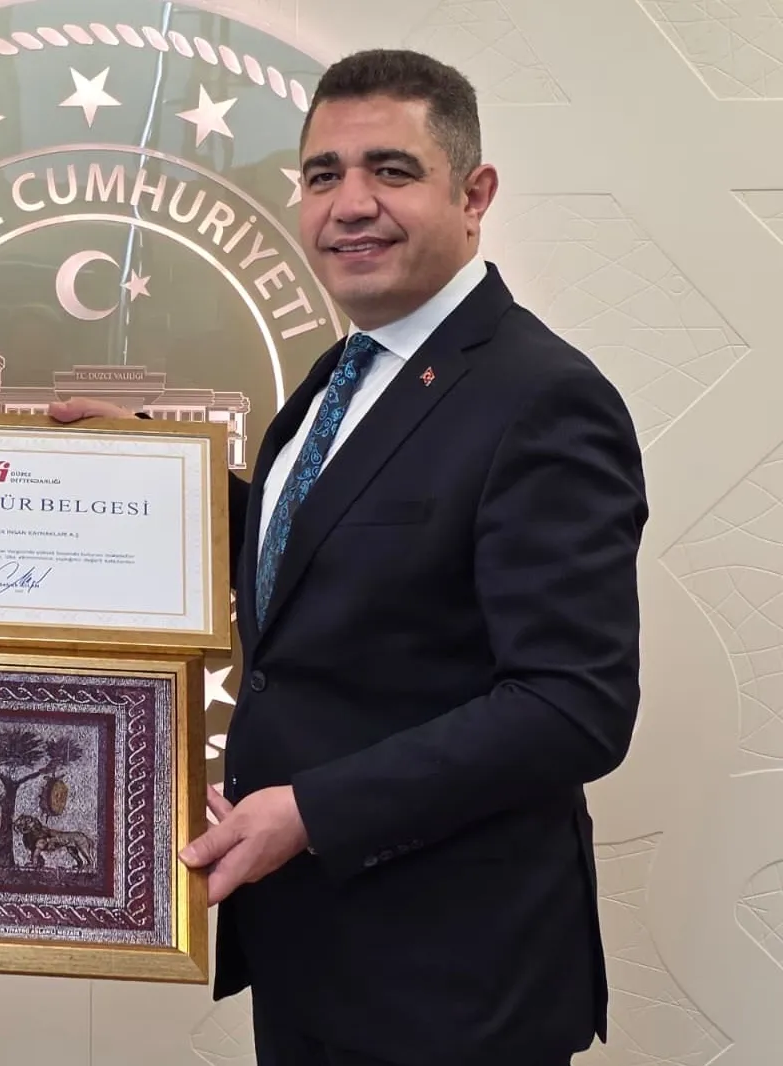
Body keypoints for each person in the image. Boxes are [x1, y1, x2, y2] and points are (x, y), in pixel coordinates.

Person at [52, 49, 648, 1066]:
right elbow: (329, 564)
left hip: (453, 988)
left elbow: (571, 704)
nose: (351, 203)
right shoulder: (346, 373)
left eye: (392, 171)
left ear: (473, 195)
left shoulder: (541, 396)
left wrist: (311, 812)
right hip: (312, 953)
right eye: (323, 175)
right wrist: (157, 476)